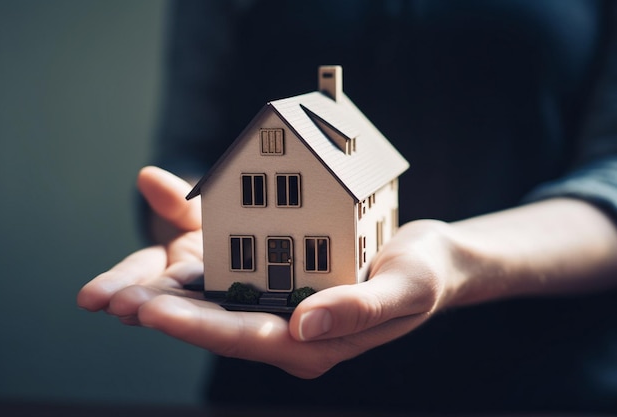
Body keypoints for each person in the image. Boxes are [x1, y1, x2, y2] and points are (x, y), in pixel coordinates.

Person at [78, 0, 617, 412]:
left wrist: (457, 258)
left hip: (539, 381)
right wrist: (190, 219)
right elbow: (191, 152)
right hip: (267, 388)